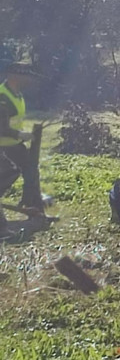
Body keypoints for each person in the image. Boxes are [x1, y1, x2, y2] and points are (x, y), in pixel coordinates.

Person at [0, 63, 41, 237]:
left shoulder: (18, 95)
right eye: (25, 75)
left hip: (14, 145)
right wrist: (20, 134)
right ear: (14, 76)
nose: (29, 79)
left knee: (32, 171)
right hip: (3, 147)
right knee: (5, 178)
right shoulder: (3, 97)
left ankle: (36, 211)